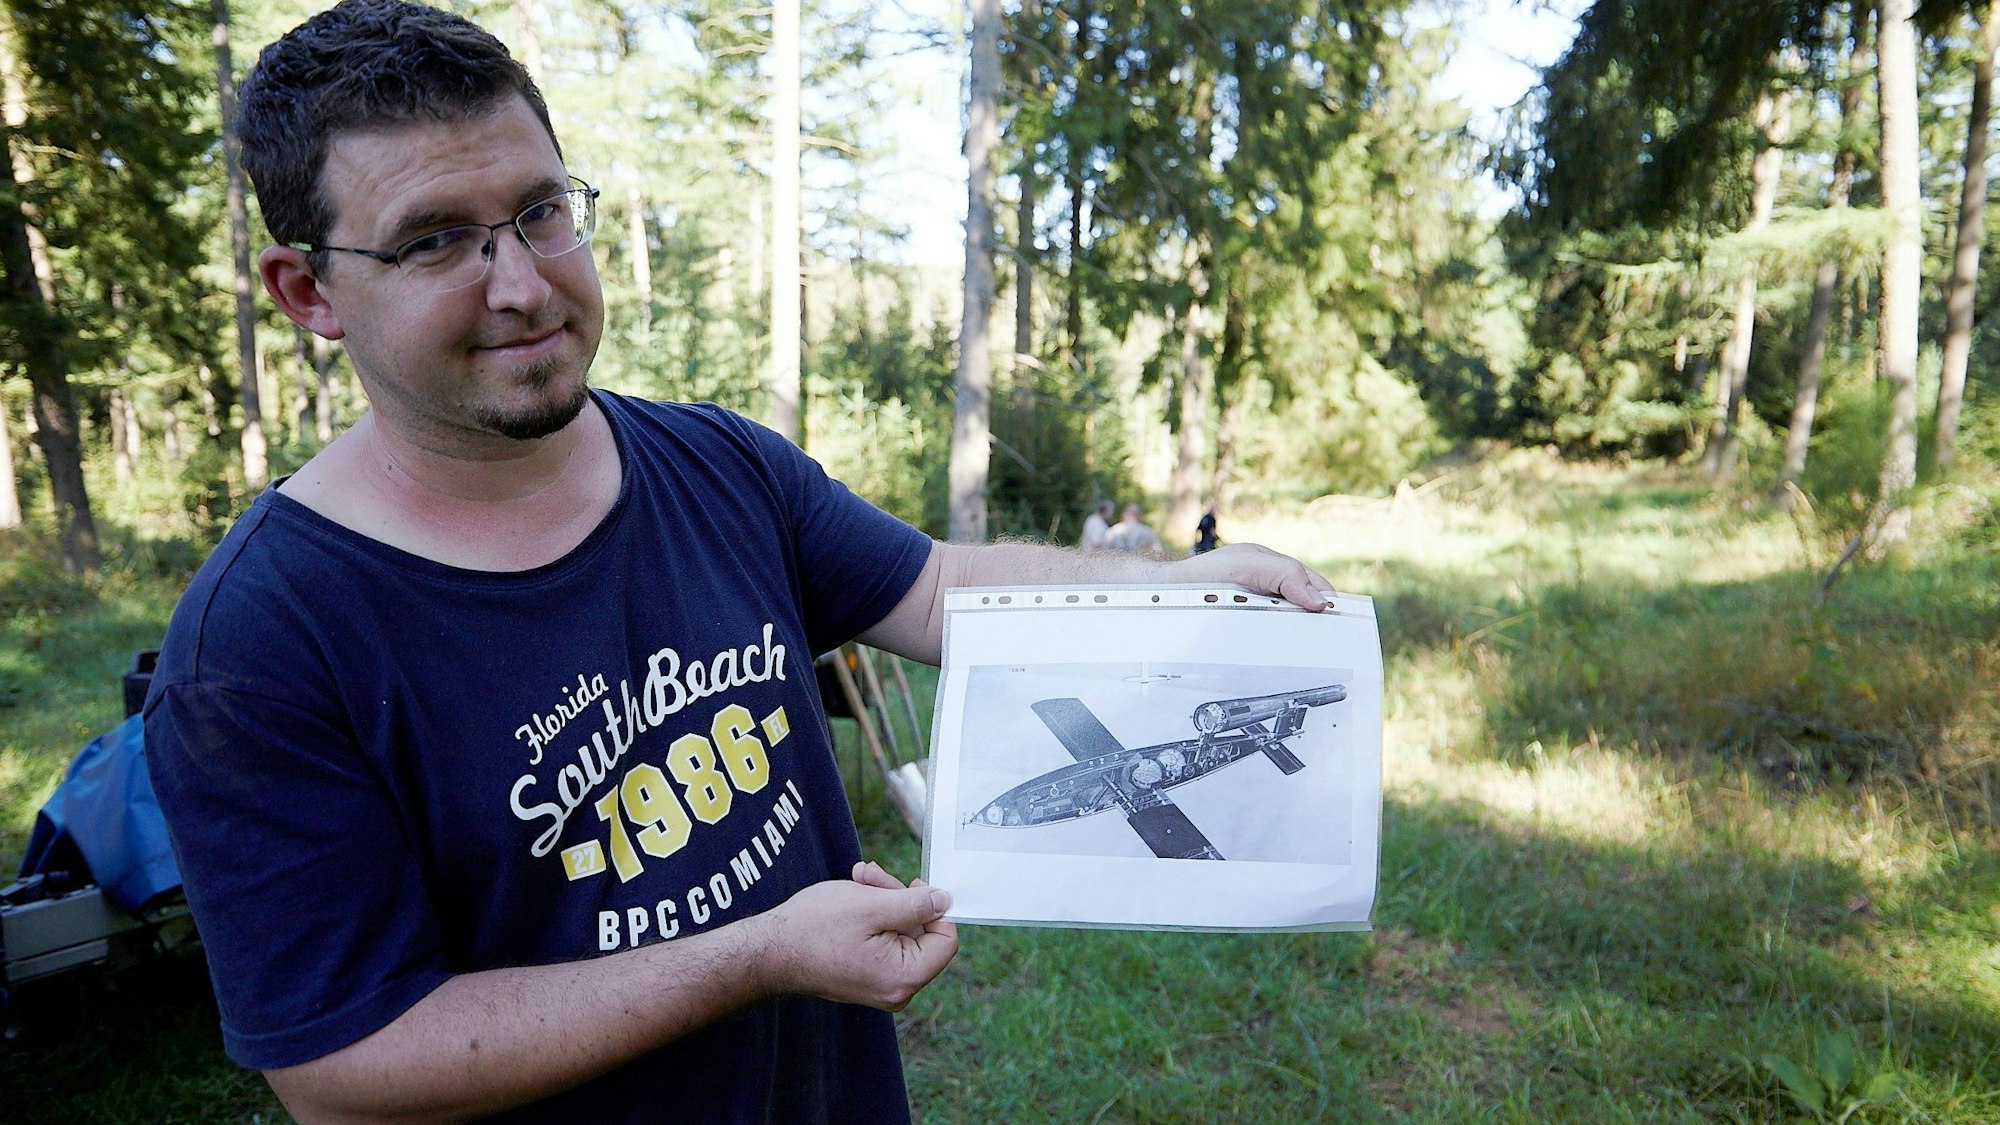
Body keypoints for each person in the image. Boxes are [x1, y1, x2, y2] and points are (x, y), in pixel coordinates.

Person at [141, 3, 1339, 1122]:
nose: (521, 284)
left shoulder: (718, 464)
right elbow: (345, 1068)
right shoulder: (260, 644)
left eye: (539, 211)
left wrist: (1158, 590)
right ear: (309, 293)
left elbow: (930, 590)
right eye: (435, 241)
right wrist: (757, 955)